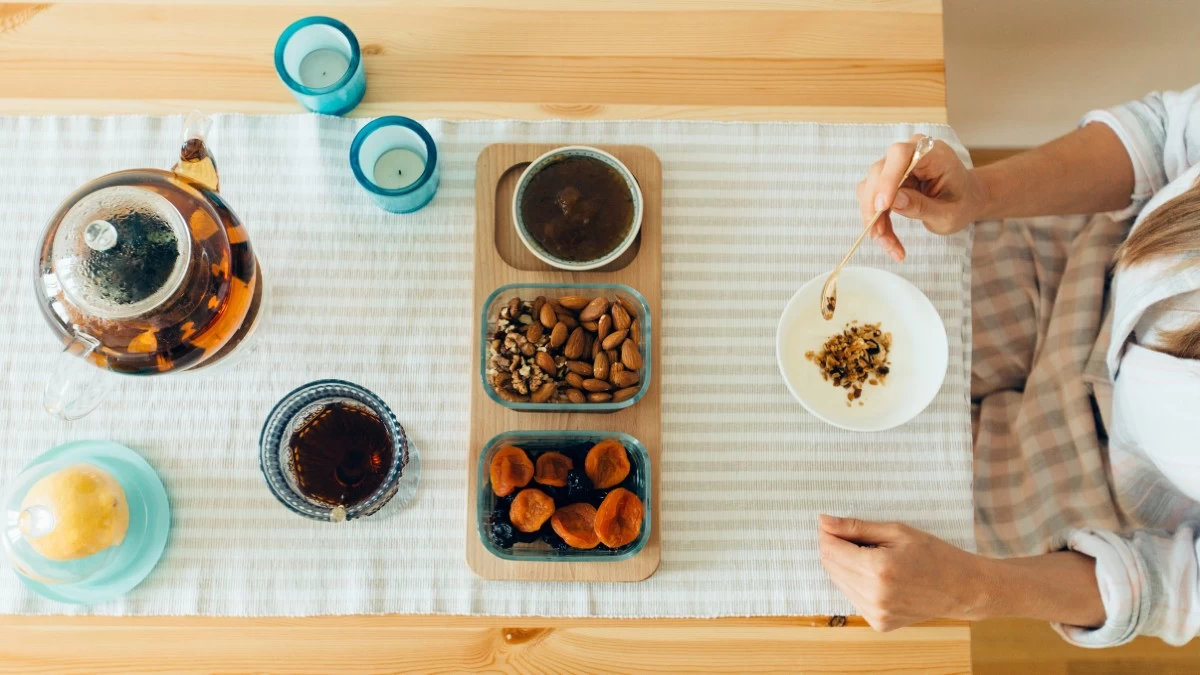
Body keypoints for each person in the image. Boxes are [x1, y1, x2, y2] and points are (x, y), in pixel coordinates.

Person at [818, 84, 1200, 647]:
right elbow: (1167, 135)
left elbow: (1181, 585)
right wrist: (979, 192)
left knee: (844, 510)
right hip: (1085, 261)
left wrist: (970, 588)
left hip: (1097, 481)